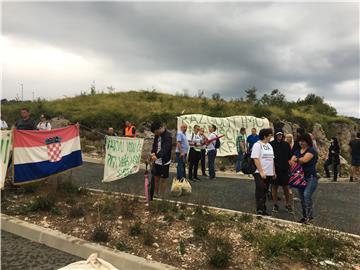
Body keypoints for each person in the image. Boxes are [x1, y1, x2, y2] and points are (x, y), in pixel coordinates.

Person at [290, 133, 318, 224]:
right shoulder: (298, 150)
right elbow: (291, 162)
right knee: (302, 198)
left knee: (306, 196)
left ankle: (310, 217)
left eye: (303, 141)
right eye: (300, 141)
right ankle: (305, 217)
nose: (301, 143)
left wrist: (297, 160)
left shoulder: (311, 150)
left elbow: (304, 160)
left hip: (311, 177)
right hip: (300, 178)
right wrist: (297, 160)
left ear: (307, 141)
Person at [251, 128, 275, 215]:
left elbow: (272, 159)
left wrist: (273, 172)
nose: (271, 137)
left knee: (265, 190)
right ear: (265, 136)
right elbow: (255, 158)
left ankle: (264, 209)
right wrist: (261, 171)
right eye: (270, 135)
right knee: (260, 189)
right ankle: (259, 209)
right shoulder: (257, 145)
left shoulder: (269, 146)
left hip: (269, 172)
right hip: (259, 172)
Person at [270, 130, 292, 213]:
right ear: (275, 135)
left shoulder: (286, 144)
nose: (279, 136)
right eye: (278, 134)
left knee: (285, 187)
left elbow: (290, 157)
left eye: (281, 134)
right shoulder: (271, 144)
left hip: (285, 169)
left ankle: (287, 204)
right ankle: (275, 204)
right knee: (274, 187)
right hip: (275, 169)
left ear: (282, 135)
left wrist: (291, 167)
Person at [150, 121, 172, 198]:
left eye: (156, 132)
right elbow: (155, 145)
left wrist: (157, 155)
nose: (156, 134)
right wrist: (153, 152)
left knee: (163, 179)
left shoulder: (167, 136)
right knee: (156, 178)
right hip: (156, 160)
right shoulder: (157, 135)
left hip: (164, 161)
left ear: (160, 128)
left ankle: (162, 196)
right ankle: (156, 194)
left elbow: (165, 149)